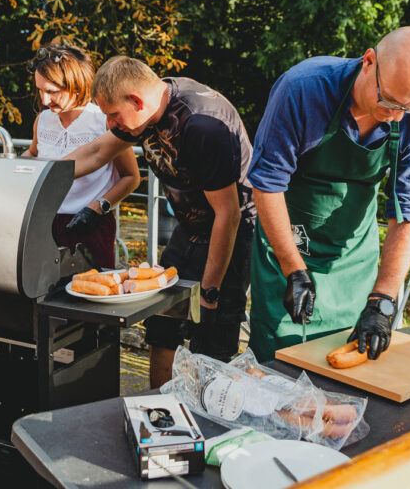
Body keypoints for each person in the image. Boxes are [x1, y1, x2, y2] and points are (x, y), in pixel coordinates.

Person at [247, 27, 410, 362]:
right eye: (388, 101)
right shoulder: (303, 90)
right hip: (287, 241)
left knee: (350, 369)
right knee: (277, 362)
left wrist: (382, 301)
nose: (396, 116)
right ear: (369, 61)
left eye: (408, 108)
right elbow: (267, 183)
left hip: (352, 257)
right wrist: (293, 268)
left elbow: (409, 211)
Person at [64, 56, 255, 387]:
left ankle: (204, 422)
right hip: (188, 229)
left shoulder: (201, 124)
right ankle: (159, 412)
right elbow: (96, 153)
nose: (110, 124)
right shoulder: (144, 111)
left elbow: (229, 213)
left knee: (210, 338)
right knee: (162, 326)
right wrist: (41, 176)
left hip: (231, 234)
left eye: (113, 115)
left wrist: (209, 292)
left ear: (136, 101)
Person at [21, 44, 141, 268]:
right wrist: (13, 165)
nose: (45, 100)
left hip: (90, 223)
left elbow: (131, 177)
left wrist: (97, 208)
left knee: (90, 293)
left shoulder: (104, 121)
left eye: (52, 91)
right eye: (40, 91)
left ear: (76, 84)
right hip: (44, 219)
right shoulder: (43, 120)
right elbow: (34, 153)